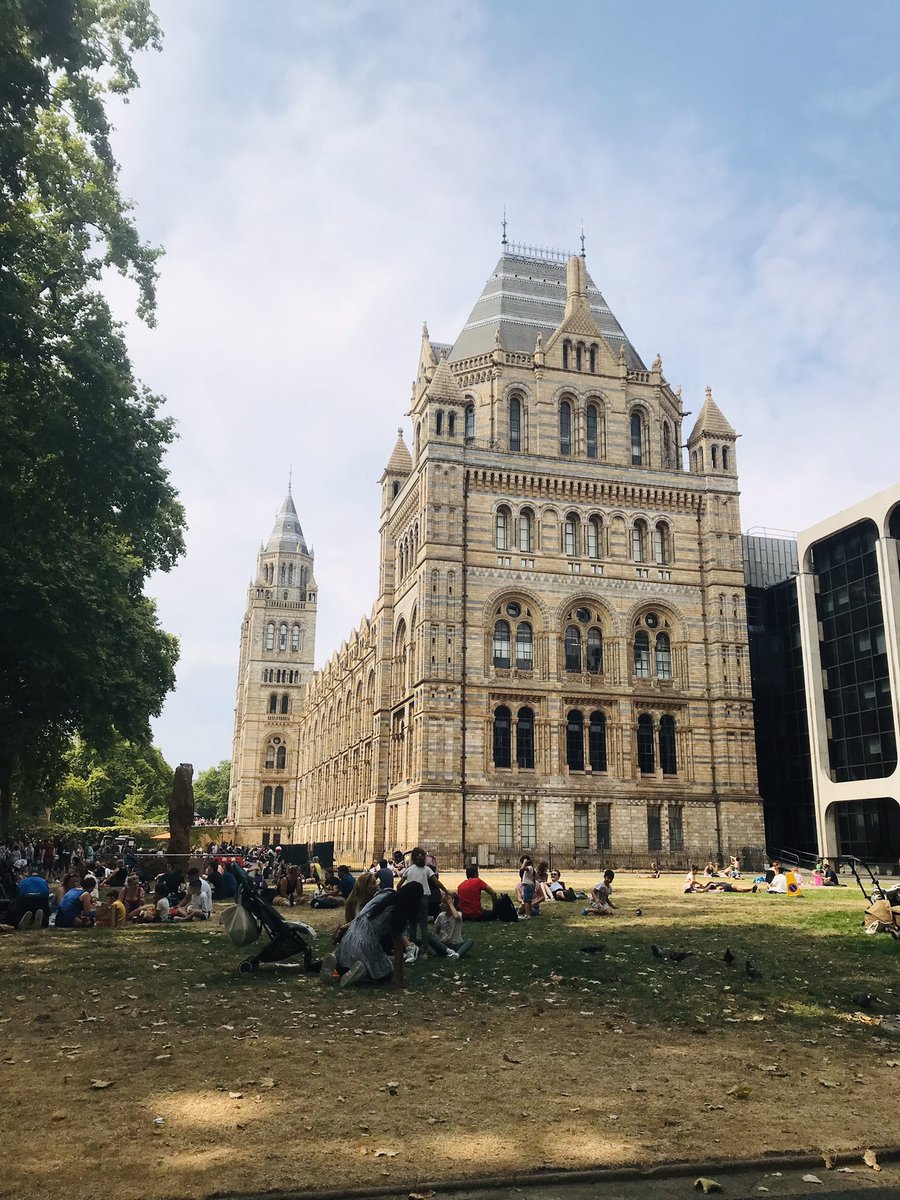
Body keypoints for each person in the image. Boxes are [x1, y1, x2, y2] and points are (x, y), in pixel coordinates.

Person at [332, 882, 425, 987]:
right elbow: (398, 949)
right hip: (365, 944)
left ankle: (338, 966)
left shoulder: (385, 894)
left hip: (349, 936)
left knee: (348, 961)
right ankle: (362, 975)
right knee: (385, 973)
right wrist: (400, 982)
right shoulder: (399, 913)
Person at [401, 847, 447, 950]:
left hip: (411, 898)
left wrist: (403, 894)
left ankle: (412, 947)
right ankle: (425, 948)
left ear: (412, 858)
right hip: (424, 898)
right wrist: (446, 891)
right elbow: (436, 882)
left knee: (412, 923)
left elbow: (399, 885)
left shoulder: (409, 870)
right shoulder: (427, 869)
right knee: (423, 925)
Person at [432, 891, 473, 958]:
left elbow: (456, 917)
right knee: (428, 935)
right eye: (441, 902)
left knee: (470, 941)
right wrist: (440, 940)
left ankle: (457, 955)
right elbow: (436, 932)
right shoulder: (441, 915)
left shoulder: (458, 914)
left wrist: (450, 904)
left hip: (455, 945)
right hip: (444, 946)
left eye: (444, 902)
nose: (441, 904)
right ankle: (448, 951)